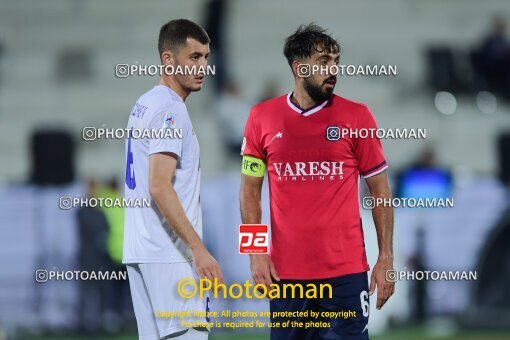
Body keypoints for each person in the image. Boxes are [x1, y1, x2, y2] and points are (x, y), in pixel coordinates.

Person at [240, 24, 394, 339]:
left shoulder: (357, 117)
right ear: (299, 67)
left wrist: (386, 257)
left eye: (336, 61)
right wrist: (255, 253)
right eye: (324, 62)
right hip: (285, 278)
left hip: (346, 275)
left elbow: (380, 192)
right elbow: (248, 194)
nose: (333, 69)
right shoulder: (261, 117)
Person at [123, 19, 223, 340]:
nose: (203, 67)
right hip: (169, 255)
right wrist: (198, 249)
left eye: (206, 57)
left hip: (141, 249)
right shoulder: (171, 110)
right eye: (194, 57)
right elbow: (159, 185)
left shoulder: (144, 103)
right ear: (168, 60)